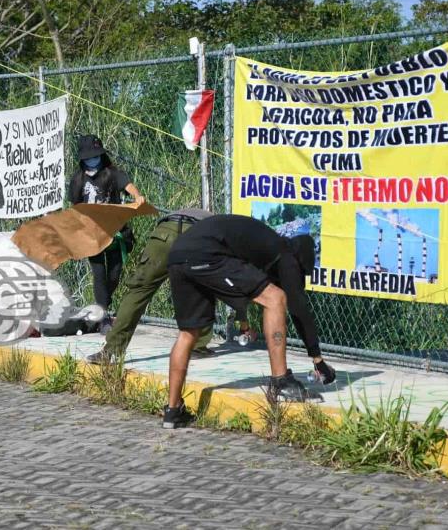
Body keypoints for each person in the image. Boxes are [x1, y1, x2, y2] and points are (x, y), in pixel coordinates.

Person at [162, 214, 336, 428]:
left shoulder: (262, 243)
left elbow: (240, 289)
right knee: (275, 298)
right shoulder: (286, 252)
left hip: (179, 253)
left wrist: (244, 324)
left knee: (189, 333)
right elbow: (298, 307)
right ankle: (281, 381)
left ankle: (172, 410)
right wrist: (318, 360)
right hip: (207, 253)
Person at [87, 208, 258, 363]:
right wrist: (244, 326)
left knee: (139, 290)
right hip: (197, 238)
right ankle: (197, 347)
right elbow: (233, 286)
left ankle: (110, 352)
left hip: (164, 234)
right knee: (205, 287)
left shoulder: (215, 219)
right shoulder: (231, 235)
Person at [68, 135, 144, 333]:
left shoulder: (112, 173)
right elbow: (75, 207)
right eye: (89, 158)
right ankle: (103, 317)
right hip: (91, 235)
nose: (93, 160)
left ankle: (101, 306)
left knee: (114, 274)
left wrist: (137, 196)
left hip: (116, 233)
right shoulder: (78, 179)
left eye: (96, 156)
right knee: (99, 273)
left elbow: (127, 185)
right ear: (82, 159)